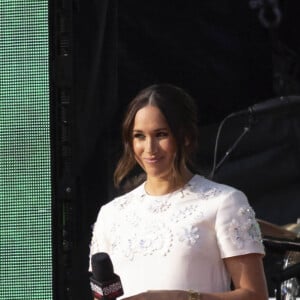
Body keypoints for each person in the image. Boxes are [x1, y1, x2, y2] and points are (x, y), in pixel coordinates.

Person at [89, 84, 268, 300]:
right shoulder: (111, 215)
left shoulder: (224, 203)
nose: (149, 148)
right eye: (139, 136)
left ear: (185, 137)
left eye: (161, 134)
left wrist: (180, 297)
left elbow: (255, 295)